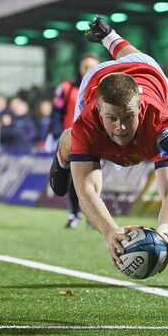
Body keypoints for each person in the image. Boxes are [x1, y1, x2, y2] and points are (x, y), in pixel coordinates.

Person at [49, 16, 168, 271]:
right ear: (99, 111)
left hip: (148, 72)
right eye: (112, 118)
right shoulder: (87, 122)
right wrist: (110, 231)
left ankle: (108, 35)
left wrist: (165, 235)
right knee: (74, 140)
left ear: (140, 107)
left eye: (128, 117)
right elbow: (87, 190)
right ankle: (62, 151)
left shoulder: (163, 124)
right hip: (96, 80)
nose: (120, 127)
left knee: (140, 59)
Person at [52, 52, 101, 229]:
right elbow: (56, 113)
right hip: (72, 140)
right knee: (75, 179)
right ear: (80, 68)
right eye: (85, 66)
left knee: (94, 178)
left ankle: (92, 217)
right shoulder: (66, 87)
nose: (88, 70)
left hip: (96, 139)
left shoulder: (103, 87)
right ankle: (74, 214)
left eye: (92, 66)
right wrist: (58, 135)